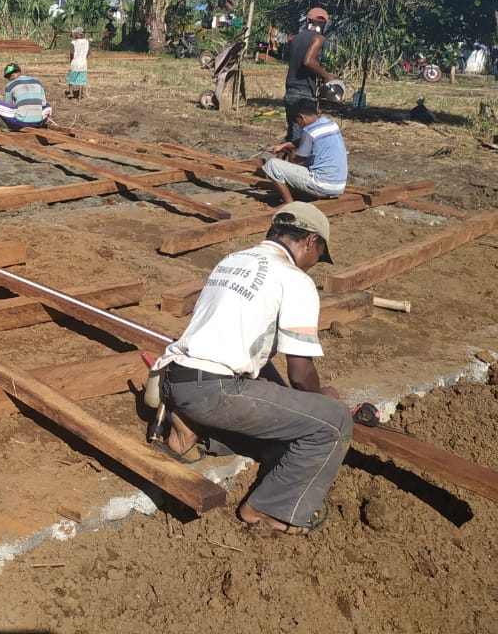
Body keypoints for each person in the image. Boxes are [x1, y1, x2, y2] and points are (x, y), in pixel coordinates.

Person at [151, 202, 352, 535]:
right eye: (319, 255)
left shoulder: (233, 260)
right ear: (310, 241)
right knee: (333, 422)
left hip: (176, 379)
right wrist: (323, 401)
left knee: (276, 403)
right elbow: (300, 373)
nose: (314, 265)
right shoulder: (294, 279)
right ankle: (271, 509)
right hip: (215, 391)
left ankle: (191, 426)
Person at [259, 98, 348, 204]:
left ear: (301, 117)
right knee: (311, 160)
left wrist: (287, 157)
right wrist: (284, 145)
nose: (299, 125)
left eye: (298, 122)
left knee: (272, 165)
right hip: (338, 185)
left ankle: (289, 203)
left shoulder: (308, 130)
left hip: (321, 185)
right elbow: (304, 141)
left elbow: (298, 162)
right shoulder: (330, 124)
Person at [283, 7, 339, 144]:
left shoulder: (295, 39)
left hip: (290, 91)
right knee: (303, 140)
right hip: (304, 94)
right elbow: (308, 61)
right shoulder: (318, 39)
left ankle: (281, 162)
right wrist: (327, 76)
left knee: (294, 135)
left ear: (307, 20)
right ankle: (290, 165)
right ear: (325, 24)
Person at [0, 62, 52, 129]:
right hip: (38, 122)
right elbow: (43, 103)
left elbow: (8, 104)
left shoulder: (10, 85)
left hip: (21, 121)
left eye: (8, 77)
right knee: (48, 106)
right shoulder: (37, 82)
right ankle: (37, 122)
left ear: (11, 75)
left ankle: (5, 128)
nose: (8, 80)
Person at [65, 28, 90, 100]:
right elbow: (88, 53)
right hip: (83, 64)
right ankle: (79, 96)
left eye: (75, 33)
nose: (74, 34)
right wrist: (84, 58)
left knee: (71, 79)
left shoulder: (73, 43)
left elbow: (72, 54)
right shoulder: (86, 42)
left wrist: (70, 61)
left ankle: (71, 93)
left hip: (75, 63)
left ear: (77, 34)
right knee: (81, 81)